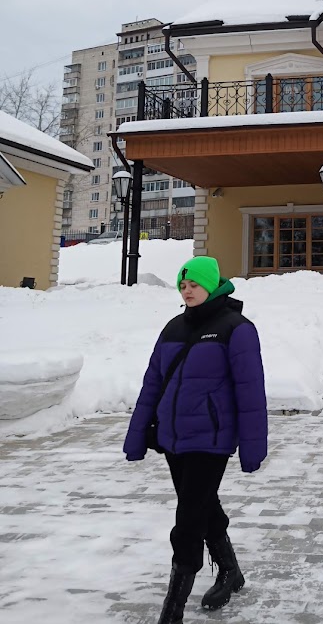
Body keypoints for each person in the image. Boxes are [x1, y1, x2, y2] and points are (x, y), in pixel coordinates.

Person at [124, 256, 268, 623]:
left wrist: (253, 445)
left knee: (188, 519)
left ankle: (172, 610)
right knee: (202, 504)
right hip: (173, 438)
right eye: (183, 286)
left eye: (194, 285)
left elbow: (250, 390)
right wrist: (137, 434)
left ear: (212, 285)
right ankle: (230, 571)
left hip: (211, 438)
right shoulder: (173, 328)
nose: (187, 291)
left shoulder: (236, 329)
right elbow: (153, 383)